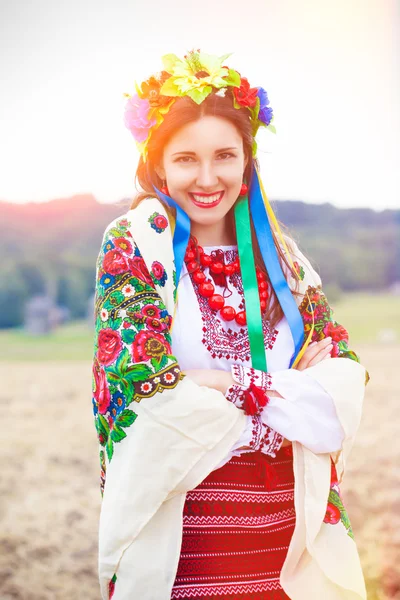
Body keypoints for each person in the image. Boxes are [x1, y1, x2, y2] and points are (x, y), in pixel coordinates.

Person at [92, 49, 370, 600]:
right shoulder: (135, 244)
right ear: (158, 165)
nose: (207, 177)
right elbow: (144, 389)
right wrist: (282, 399)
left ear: (247, 160)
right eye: (186, 159)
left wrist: (218, 383)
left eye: (224, 155)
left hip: (288, 537)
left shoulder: (282, 256)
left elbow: (344, 380)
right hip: (187, 541)